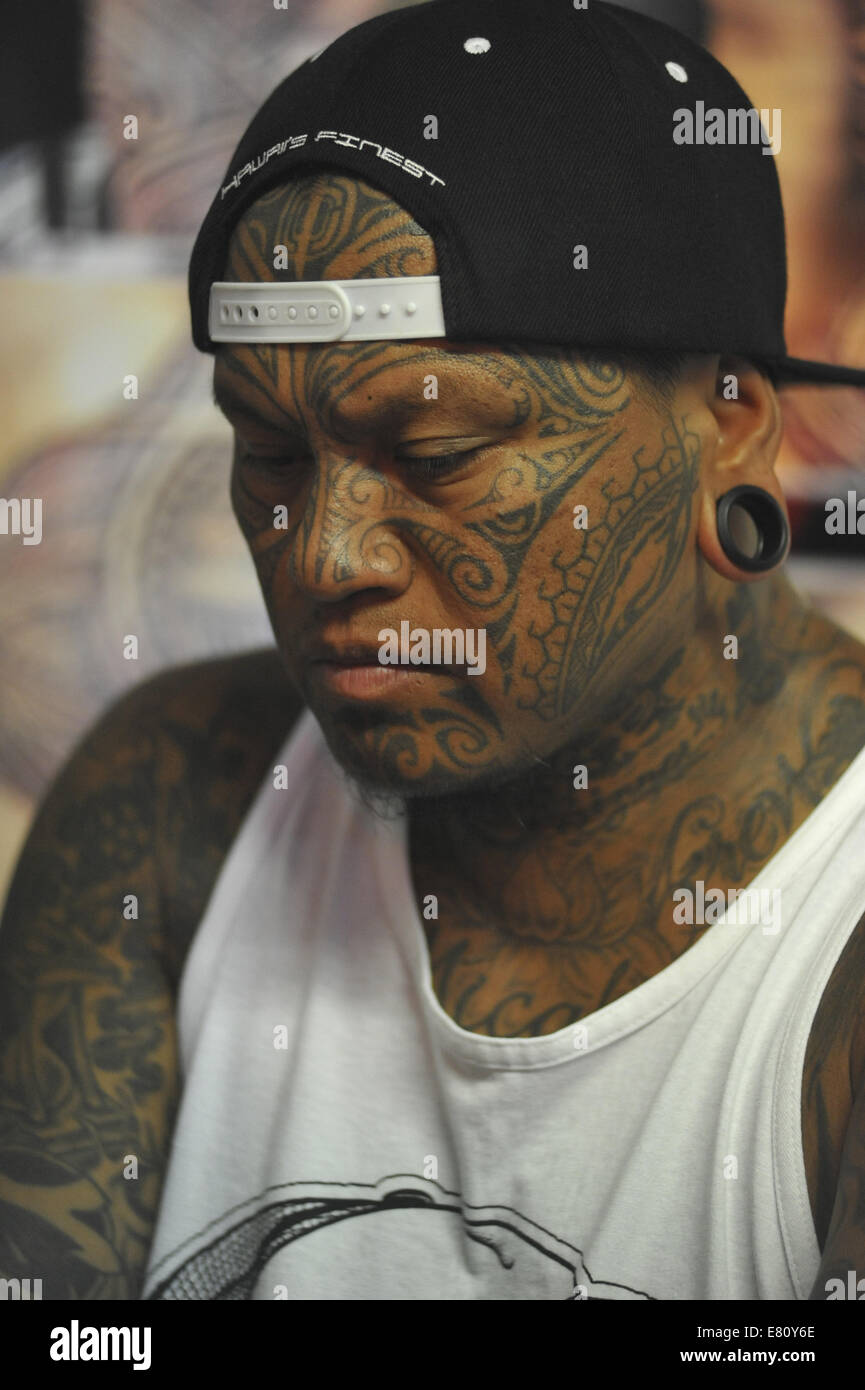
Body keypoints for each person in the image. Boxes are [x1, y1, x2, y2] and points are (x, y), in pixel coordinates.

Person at [3, 0, 865, 1301]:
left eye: (437, 454)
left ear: (730, 425)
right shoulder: (168, 799)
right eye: (271, 453)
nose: (325, 554)